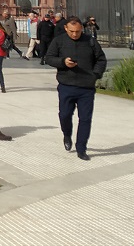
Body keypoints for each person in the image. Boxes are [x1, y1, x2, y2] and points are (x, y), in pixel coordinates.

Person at [44, 15, 107, 161]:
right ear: (66, 28)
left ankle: (81, 148)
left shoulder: (90, 41)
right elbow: (49, 58)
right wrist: (63, 62)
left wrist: (95, 75)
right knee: (65, 115)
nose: (74, 34)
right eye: (72, 31)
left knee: (85, 118)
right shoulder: (59, 41)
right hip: (66, 86)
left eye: (78, 31)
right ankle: (67, 134)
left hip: (86, 87)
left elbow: (101, 59)